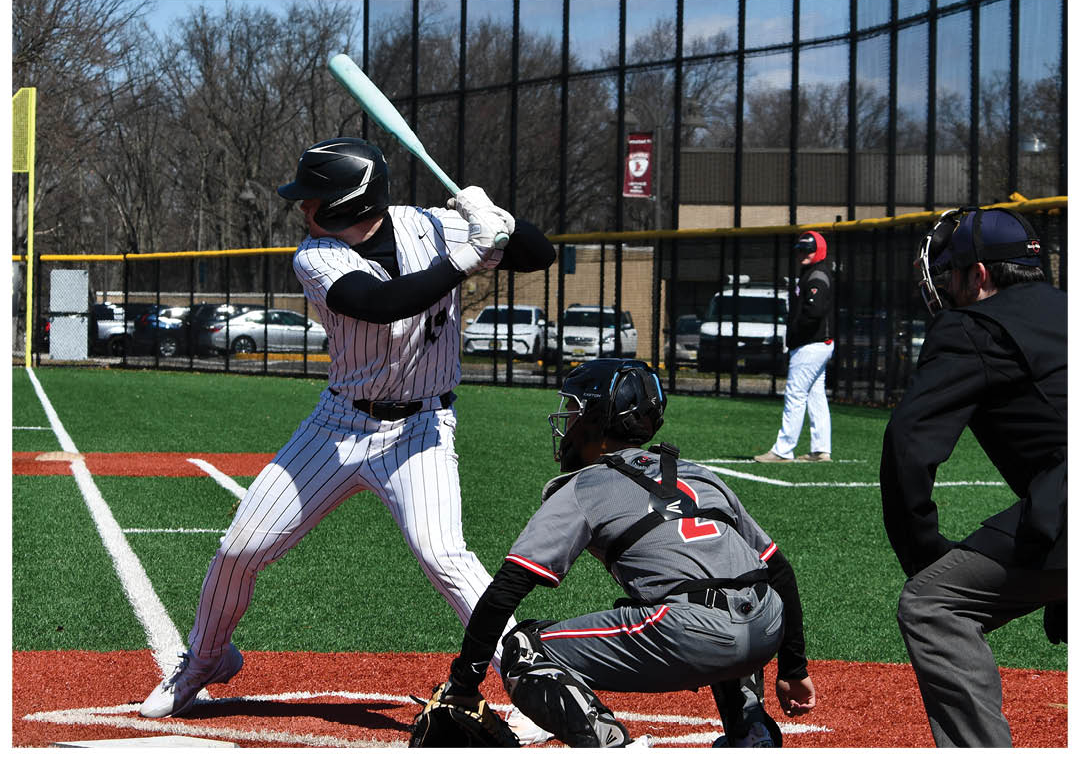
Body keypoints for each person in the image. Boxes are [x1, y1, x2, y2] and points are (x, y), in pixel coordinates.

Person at [139, 137, 557, 735]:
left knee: (446, 556)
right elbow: (380, 303)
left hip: (422, 427)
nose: (302, 209)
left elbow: (539, 255)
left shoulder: (436, 227)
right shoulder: (316, 255)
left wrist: (500, 221)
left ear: (346, 200)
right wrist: (469, 257)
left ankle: (536, 686)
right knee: (239, 550)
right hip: (338, 426)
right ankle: (206, 658)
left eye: (312, 198)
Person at [432, 358, 816, 748]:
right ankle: (752, 734)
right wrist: (793, 667)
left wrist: (463, 683)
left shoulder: (585, 485)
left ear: (597, 419)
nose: (567, 421)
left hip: (692, 631)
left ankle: (611, 747)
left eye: (574, 410)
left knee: (524, 648)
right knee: (730, 590)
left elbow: (506, 589)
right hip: (767, 625)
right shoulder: (700, 473)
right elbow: (779, 572)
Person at [880, 206, 1066, 747]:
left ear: (979, 274)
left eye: (952, 274)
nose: (946, 285)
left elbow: (908, 446)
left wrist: (922, 556)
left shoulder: (973, 326)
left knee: (933, 603)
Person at [755, 231, 834, 463]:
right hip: (818, 344)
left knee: (795, 394)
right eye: (800, 250)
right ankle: (821, 450)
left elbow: (815, 311)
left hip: (811, 344)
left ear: (818, 250)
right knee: (815, 395)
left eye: (807, 250)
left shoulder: (817, 275)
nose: (803, 254)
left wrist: (797, 331)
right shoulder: (813, 273)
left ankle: (783, 450)